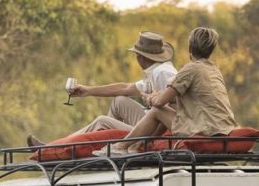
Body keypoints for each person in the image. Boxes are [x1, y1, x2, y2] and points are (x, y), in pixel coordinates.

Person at [96, 27, 237, 156]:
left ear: (190, 49)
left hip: (204, 130)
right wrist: (159, 96)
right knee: (162, 110)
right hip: (223, 128)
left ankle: (120, 147)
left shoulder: (190, 69)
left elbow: (160, 102)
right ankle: (137, 145)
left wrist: (150, 97)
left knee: (157, 110)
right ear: (211, 50)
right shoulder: (214, 70)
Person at [27, 31, 177, 146]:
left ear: (140, 57)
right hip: (151, 120)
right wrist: (88, 91)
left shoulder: (163, 73)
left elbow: (175, 106)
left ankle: (53, 147)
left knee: (101, 122)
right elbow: (125, 88)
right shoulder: (155, 70)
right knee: (119, 101)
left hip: (156, 128)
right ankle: (105, 143)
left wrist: (150, 137)